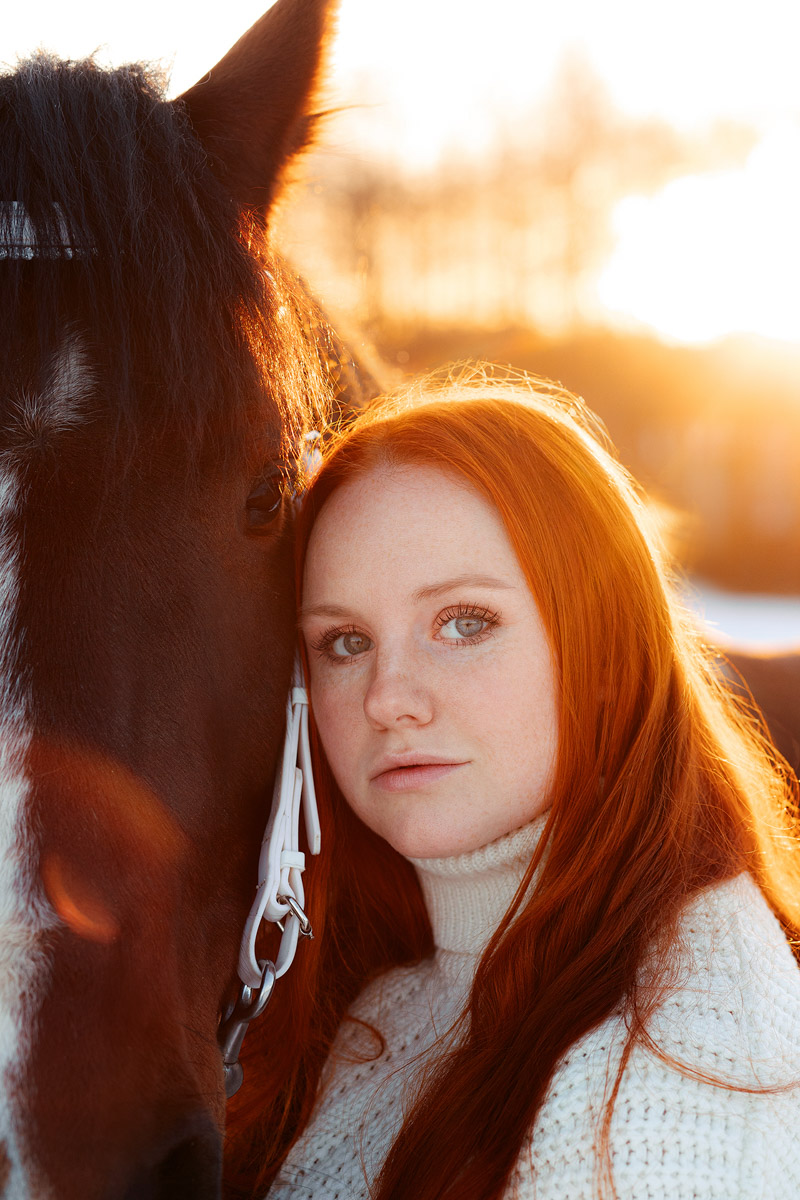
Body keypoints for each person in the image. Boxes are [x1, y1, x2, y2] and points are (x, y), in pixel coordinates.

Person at [226, 374, 800, 1200]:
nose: (387, 697)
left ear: (603, 651)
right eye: (345, 641)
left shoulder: (674, 1080)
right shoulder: (391, 999)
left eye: (464, 623)